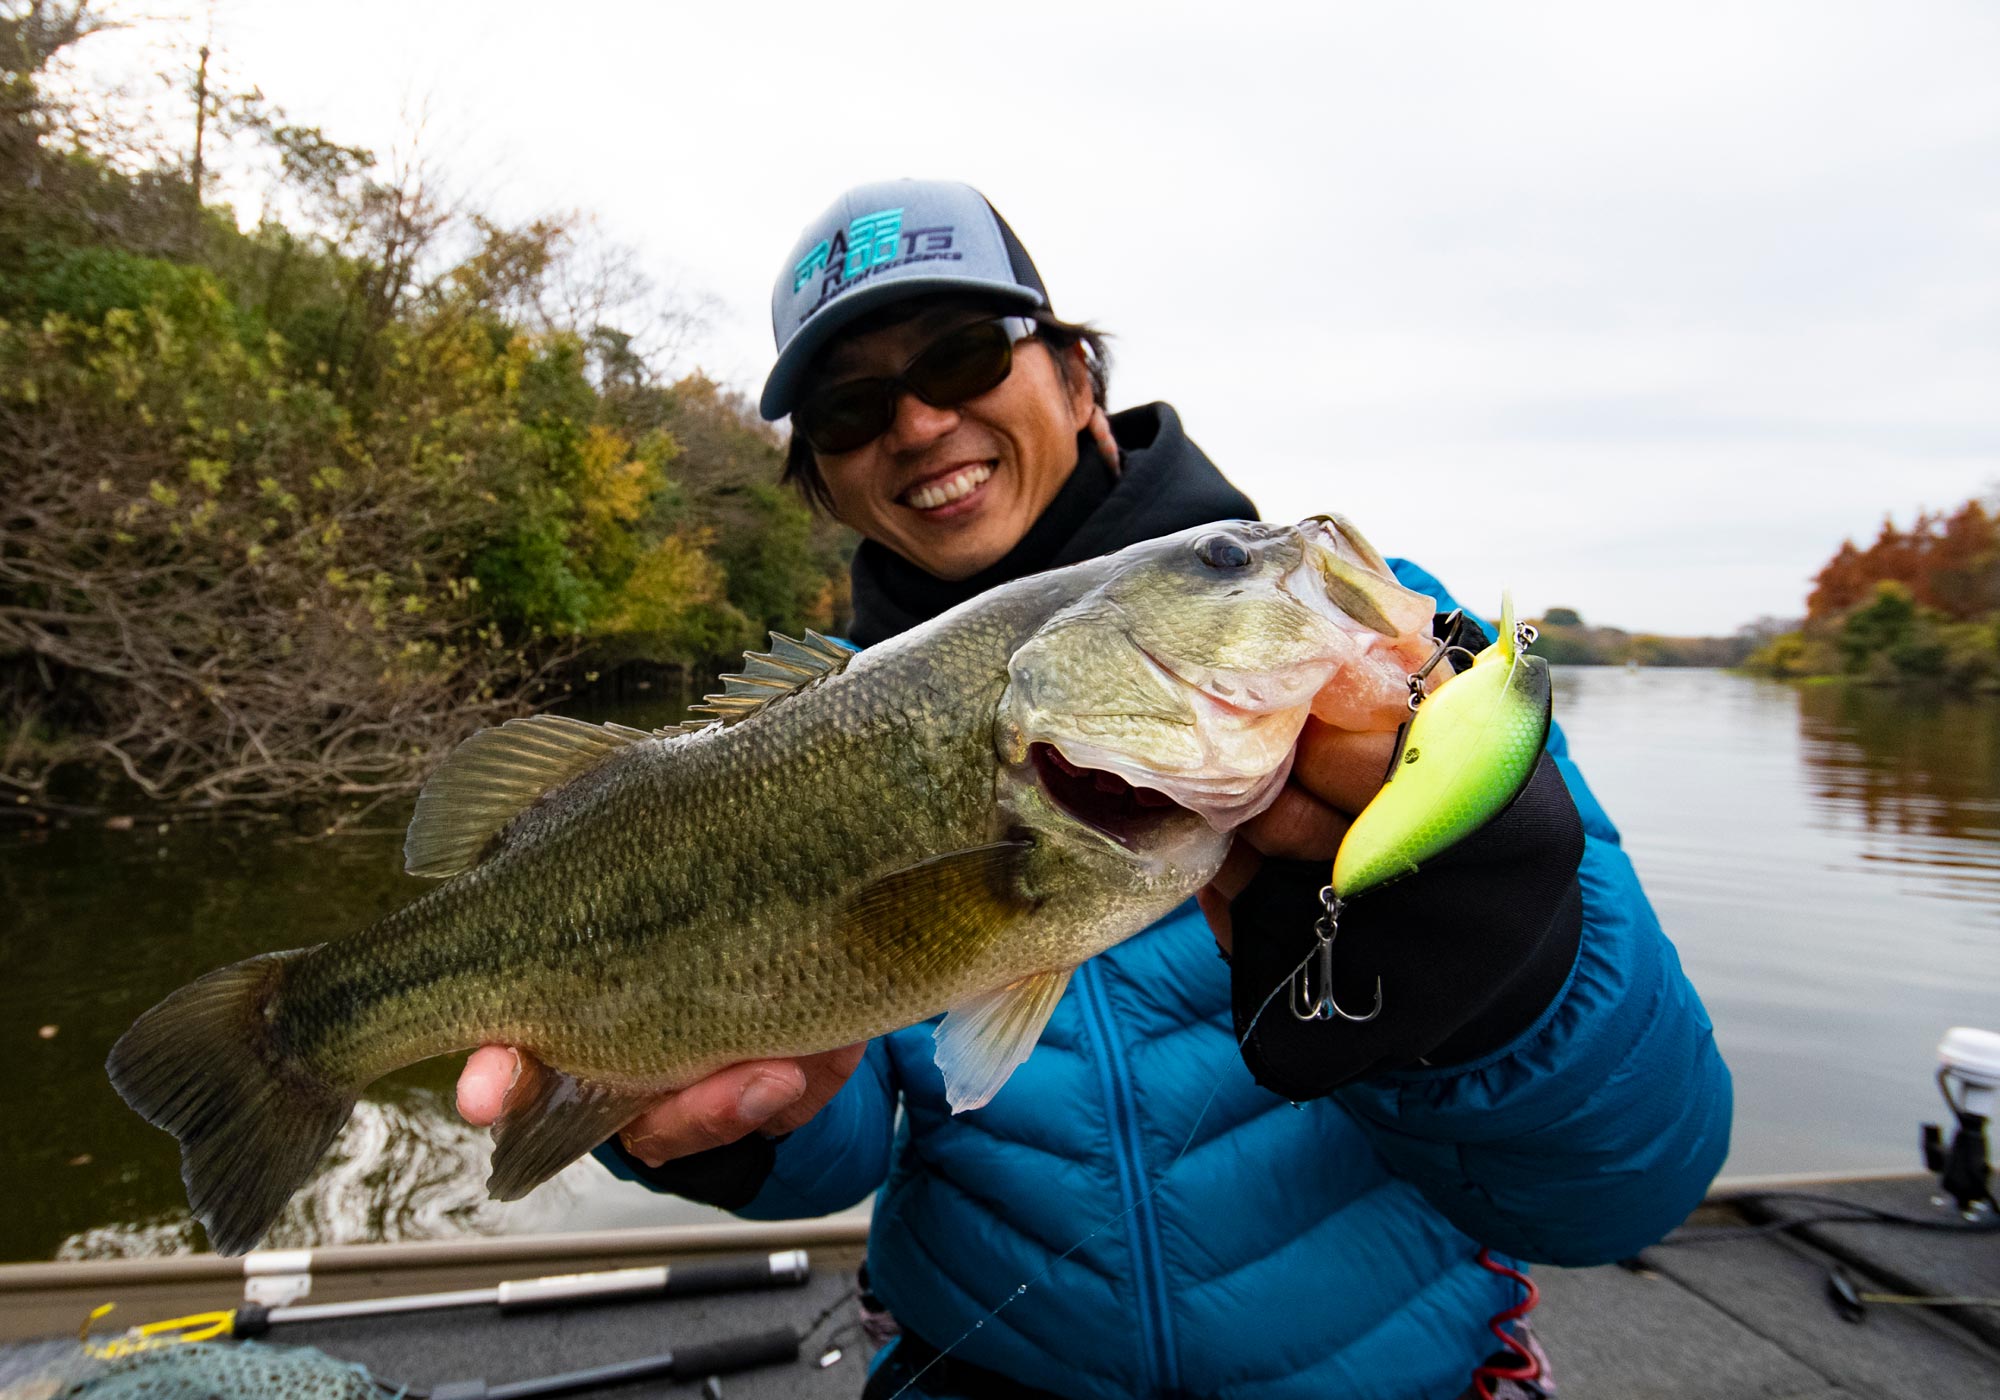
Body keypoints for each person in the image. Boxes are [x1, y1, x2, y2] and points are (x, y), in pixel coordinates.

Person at [457, 180, 1732, 1400]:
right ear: (823, 479)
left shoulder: (1387, 665)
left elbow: (1621, 1194)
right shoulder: (789, 740)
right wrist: (692, 1098)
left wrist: (1500, 985)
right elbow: (849, 1150)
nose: (913, 424)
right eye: (848, 410)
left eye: (959, 356)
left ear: (1076, 377)